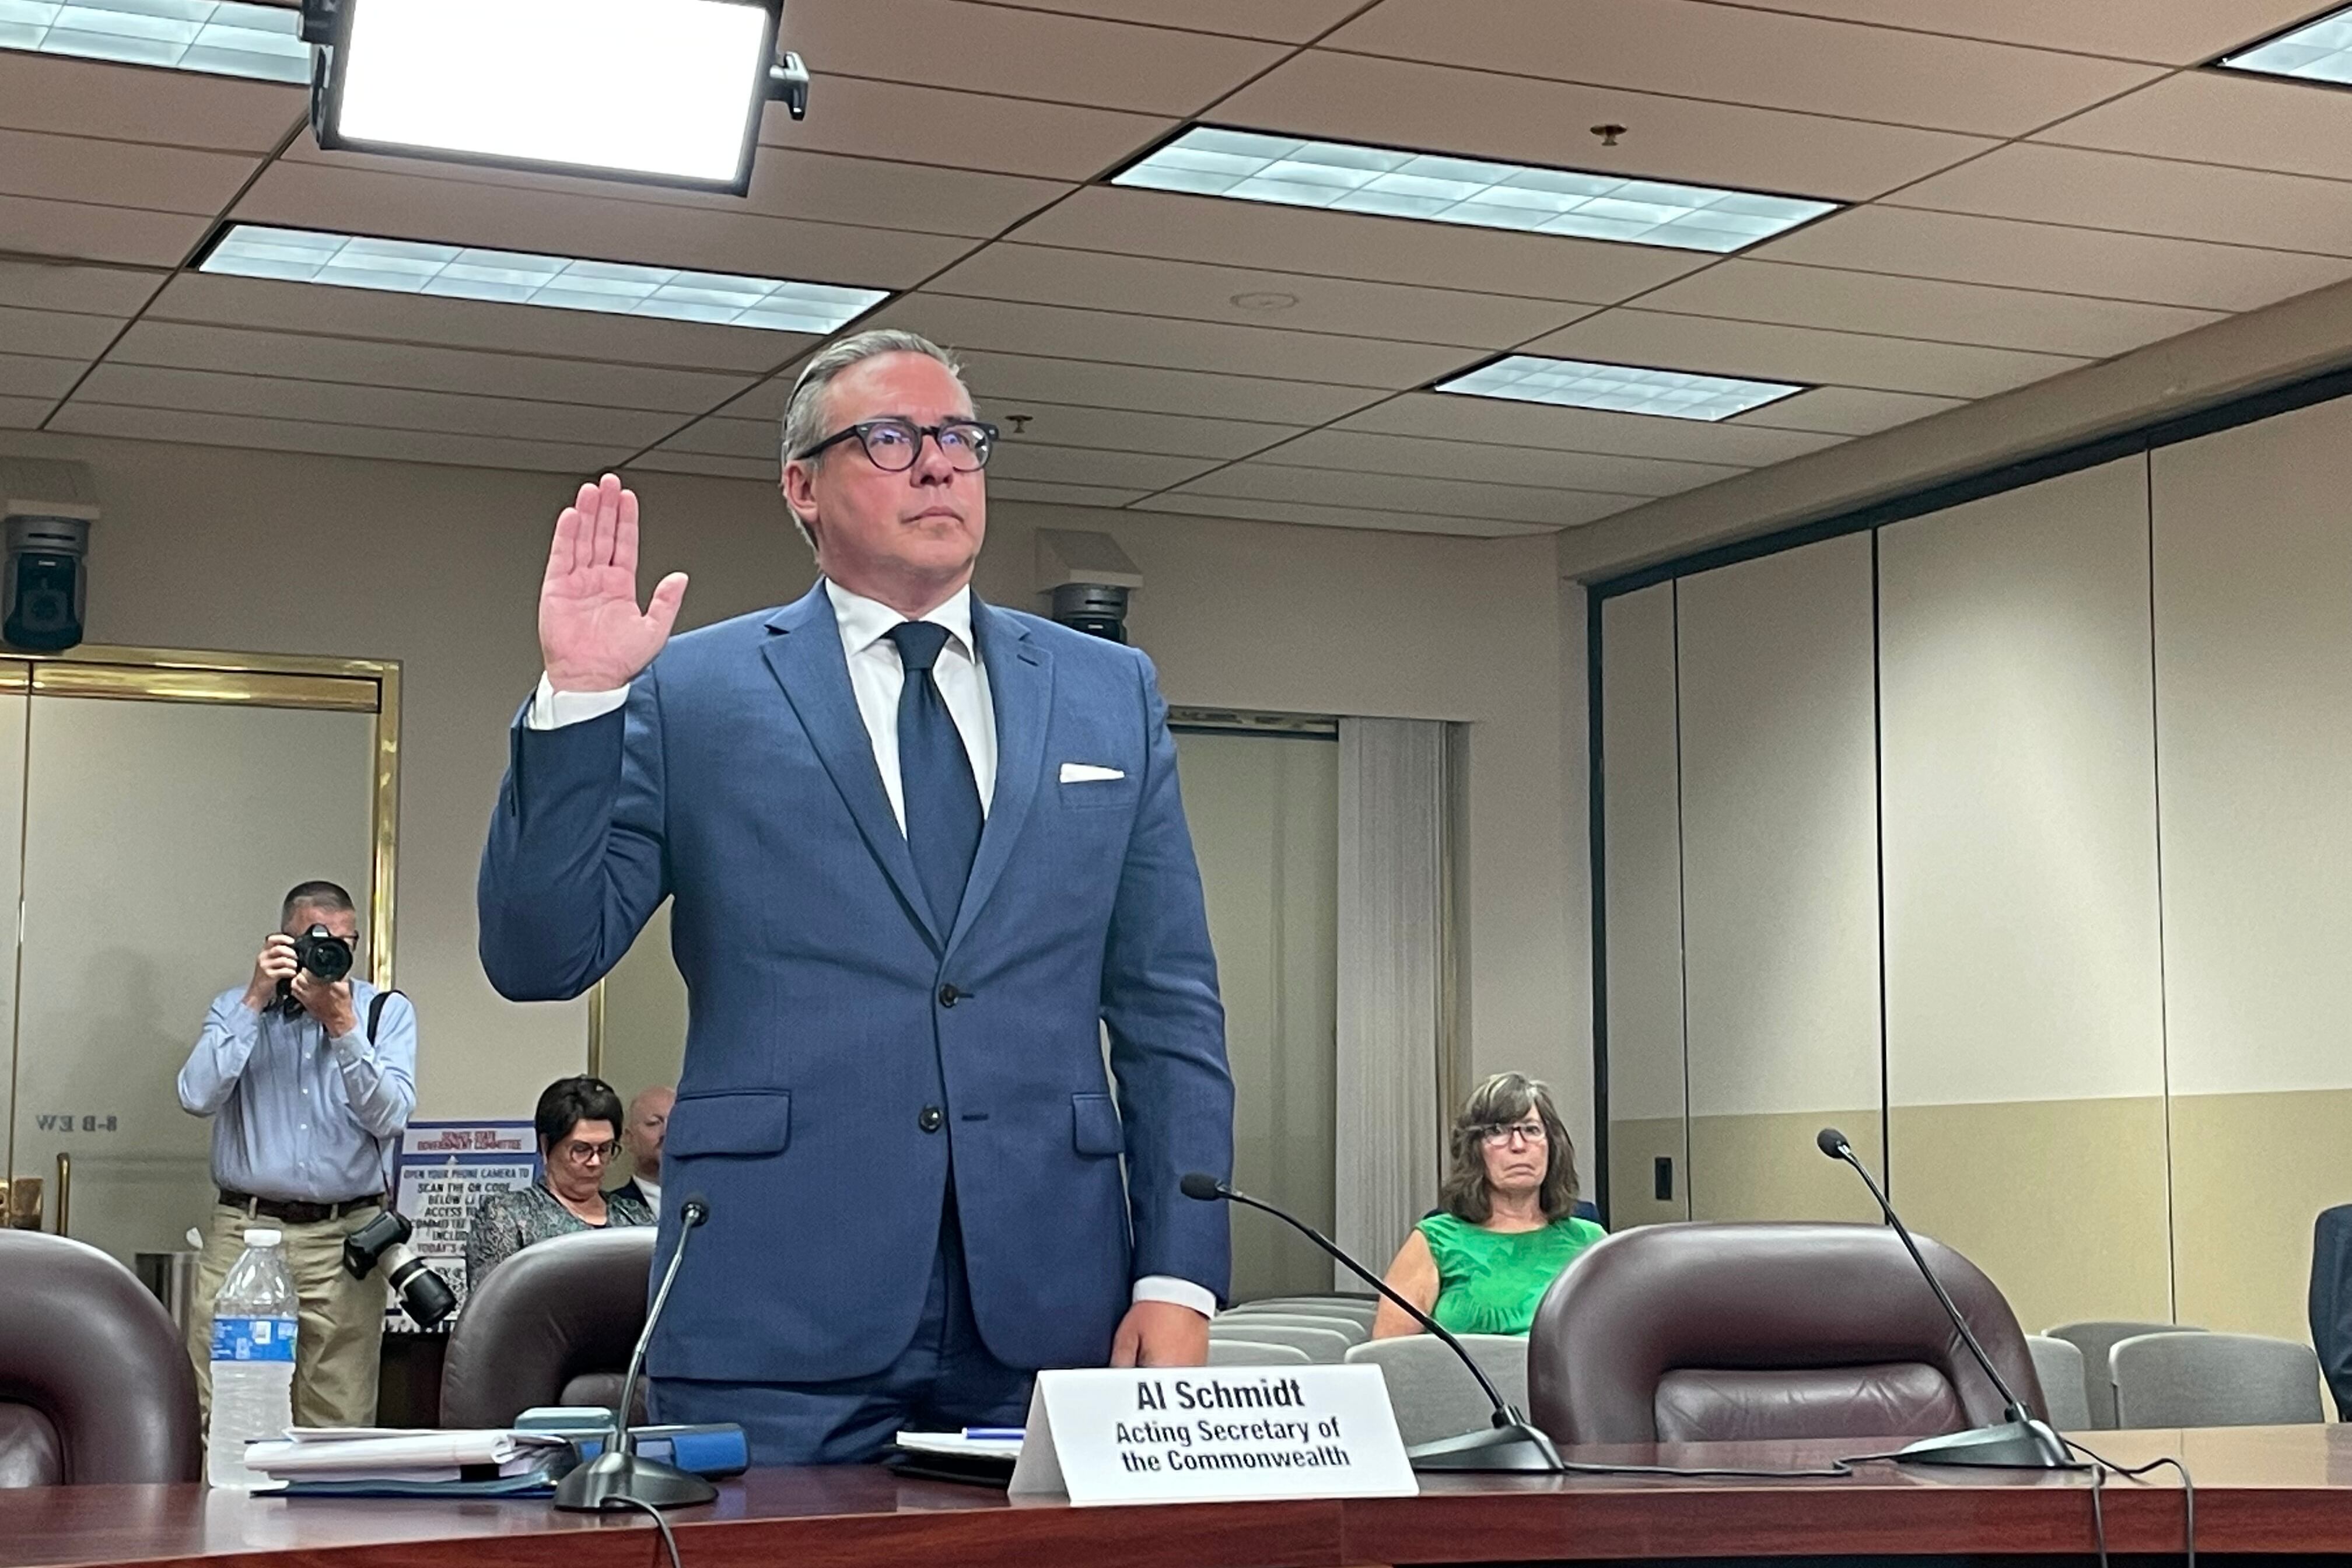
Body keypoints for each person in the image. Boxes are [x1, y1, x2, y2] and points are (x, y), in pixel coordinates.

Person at [477, 328, 1233, 1465]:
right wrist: (583, 702)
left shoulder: (1107, 693)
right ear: (803, 488)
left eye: (960, 439)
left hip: (1050, 1306)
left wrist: (1181, 1272)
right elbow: (539, 954)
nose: (938, 464)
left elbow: (1170, 1007)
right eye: (890, 438)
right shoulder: (697, 690)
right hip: (773, 1313)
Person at [177, 880, 416, 1427]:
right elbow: (195, 1096)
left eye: (341, 942)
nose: (324, 954)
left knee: (338, 1419)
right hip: (245, 1232)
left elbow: (390, 1118)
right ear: (280, 942)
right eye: (311, 940)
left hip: (345, 1242)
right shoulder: (236, 1009)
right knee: (227, 1413)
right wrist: (256, 998)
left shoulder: (384, 1014)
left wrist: (344, 1027)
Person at [1371, 1073, 1605, 1339]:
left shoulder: (1592, 1242)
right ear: (1475, 1151)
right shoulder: (1435, 1239)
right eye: (1497, 1132)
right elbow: (1388, 1356)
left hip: (1562, 1381)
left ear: (1552, 1146)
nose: (1518, 1145)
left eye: (1531, 1130)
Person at [466, 1076, 656, 1287]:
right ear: (546, 1146)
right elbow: (491, 1308)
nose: (595, 1162)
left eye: (604, 1149)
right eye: (581, 1150)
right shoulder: (509, 1216)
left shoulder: (635, 1217)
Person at [620, 1084, 674, 1212]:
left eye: (675, 1122)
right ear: (629, 1138)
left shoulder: (714, 1201)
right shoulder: (613, 1209)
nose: (666, 1132)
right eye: (654, 1123)